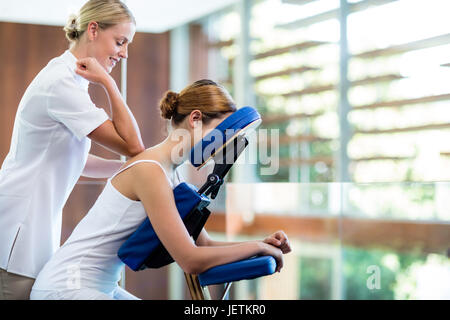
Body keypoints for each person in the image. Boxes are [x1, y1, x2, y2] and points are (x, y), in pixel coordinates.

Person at [29, 79, 291, 300]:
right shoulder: (151, 171)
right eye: (219, 135)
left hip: (101, 287)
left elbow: (206, 245)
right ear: (195, 118)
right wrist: (257, 246)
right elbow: (190, 259)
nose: (217, 150)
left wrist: (260, 245)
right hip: (66, 288)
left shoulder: (170, 174)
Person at [0, 0, 145, 300]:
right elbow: (133, 145)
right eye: (120, 42)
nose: (124, 53)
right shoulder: (60, 83)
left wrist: (128, 172)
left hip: (30, 229)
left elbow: (73, 158)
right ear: (93, 30)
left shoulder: (71, 81)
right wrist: (108, 82)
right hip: (16, 231)